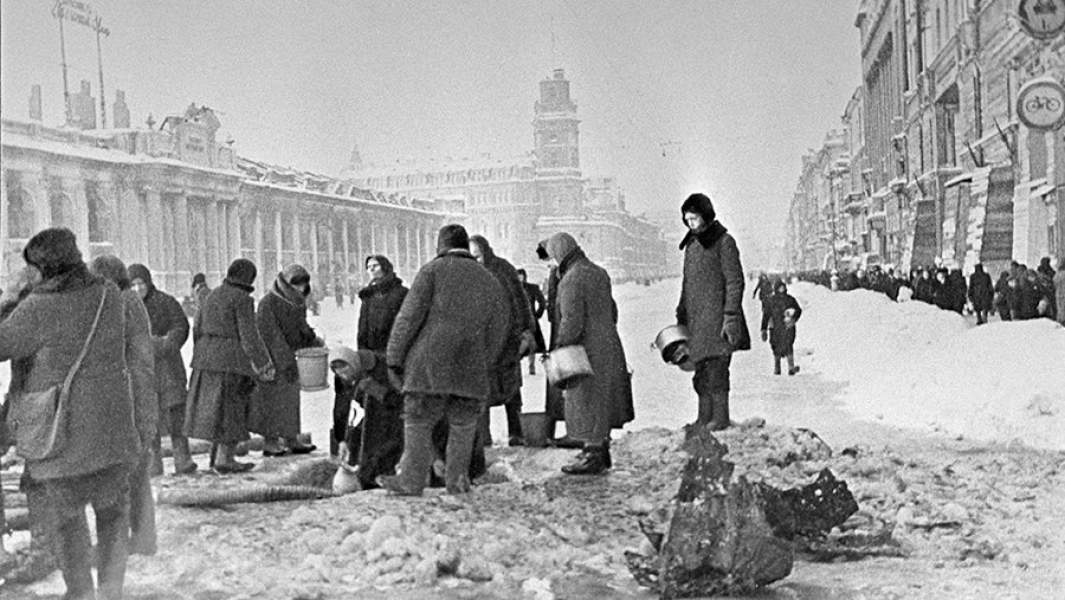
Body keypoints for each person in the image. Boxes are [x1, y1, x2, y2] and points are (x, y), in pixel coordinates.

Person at [0, 228, 145, 599]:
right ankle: (111, 591)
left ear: (44, 267)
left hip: (62, 435)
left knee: (68, 520)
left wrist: (12, 297)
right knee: (112, 515)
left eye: (31, 267)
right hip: (113, 428)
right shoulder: (108, 295)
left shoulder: (37, 307)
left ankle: (80, 593)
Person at [380, 224, 508, 495]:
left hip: (428, 365)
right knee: (462, 426)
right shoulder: (488, 279)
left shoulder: (432, 271)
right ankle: (457, 480)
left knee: (418, 420)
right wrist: (484, 360)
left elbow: (408, 318)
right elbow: (499, 328)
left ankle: (411, 481)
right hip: (471, 366)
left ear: (441, 245)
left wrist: (394, 358)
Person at [543, 232, 634, 474]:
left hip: (586, 350)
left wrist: (560, 346)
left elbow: (572, 321)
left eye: (552, 257)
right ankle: (601, 451)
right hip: (608, 344)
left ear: (561, 253)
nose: (552, 263)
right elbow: (612, 310)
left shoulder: (571, 279)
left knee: (586, 399)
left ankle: (592, 455)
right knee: (601, 399)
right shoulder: (598, 272)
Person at [90, 256, 159, 558]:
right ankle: (143, 539)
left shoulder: (123, 305)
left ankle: (135, 541)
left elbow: (133, 361)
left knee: (129, 474)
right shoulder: (129, 302)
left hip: (131, 400)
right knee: (135, 473)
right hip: (135, 397)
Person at [185, 258, 276, 473]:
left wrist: (201, 354)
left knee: (215, 412)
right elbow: (249, 336)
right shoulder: (242, 299)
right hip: (230, 362)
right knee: (230, 411)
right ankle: (225, 460)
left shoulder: (211, 295)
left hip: (205, 360)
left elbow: (196, 328)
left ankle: (215, 457)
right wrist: (264, 364)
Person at [676, 193, 750, 430]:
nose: (691, 224)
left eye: (694, 219)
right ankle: (703, 416)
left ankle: (720, 417)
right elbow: (687, 282)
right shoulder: (691, 245)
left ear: (706, 216)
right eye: (687, 220)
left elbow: (734, 281)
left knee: (717, 371)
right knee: (700, 373)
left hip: (718, 321)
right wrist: (681, 311)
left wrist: (730, 316)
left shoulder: (724, 241)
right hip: (697, 322)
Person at [125, 263, 198, 476]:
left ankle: (183, 460)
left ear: (148, 282)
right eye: (133, 285)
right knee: (149, 421)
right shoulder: (126, 308)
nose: (138, 289)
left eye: (141, 283)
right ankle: (152, 465)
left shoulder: (166, 302)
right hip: (142, 372)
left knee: (176, 416)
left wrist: (167, 344)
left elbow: (180, 326)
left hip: (168, 369)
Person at [469, 235, 535, 447]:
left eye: (478, 256)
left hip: (507, 339)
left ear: (486, 251)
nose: (476, 260)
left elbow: (520, 300)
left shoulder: (503, 269)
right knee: (482, 391)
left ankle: (516, 433)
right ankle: (484, 437)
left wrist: (525, 329)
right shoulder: (469, 273)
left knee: (511, 389)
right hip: (482, 342)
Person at [251, 264, 323, 457]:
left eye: (304, 283)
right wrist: (284, 361)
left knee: (290, 402)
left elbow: (300, 327)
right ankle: (271, 442)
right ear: (285, 283)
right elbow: (270, 335)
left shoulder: (297, 302)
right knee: (271, 403)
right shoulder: (268, 302)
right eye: (296, 283)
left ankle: (291, 438)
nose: (301, 287)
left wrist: (311, 339)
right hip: (273, 361)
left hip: (291, 358)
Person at [346, 254, 408, 455]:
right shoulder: (368, 296)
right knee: (370, 404)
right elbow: (361, 329)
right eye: (369, 267)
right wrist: (361, 355)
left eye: (376, 266)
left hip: (391, 356)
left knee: (391, 404)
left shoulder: (400, 293)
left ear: (385, 267)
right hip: (371, 357)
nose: (372, 269)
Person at [330, 346, 404, 490]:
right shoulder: (345, 378)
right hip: (363, 431)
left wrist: (380, 392)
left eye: (346, 372)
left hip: (388, 426)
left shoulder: (385, 370)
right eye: (340, 374)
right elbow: (344, 408)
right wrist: (343, 440)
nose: (344, 377)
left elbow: (403, 403)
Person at [760, 279, 802, 376]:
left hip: (788, 327)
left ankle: (791, 367)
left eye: (783, 287)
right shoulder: (771, 300)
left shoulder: (790, 299)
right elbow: (766, 315)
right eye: (780, 288)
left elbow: (798, 310)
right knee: (775, 346)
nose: (781, 289)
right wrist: (763, 329)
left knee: (788, 344)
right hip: (775, 327)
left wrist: (793, 318)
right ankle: (777, 366)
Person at [517, 268, 547, 375]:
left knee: (531, 344)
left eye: (522, 276)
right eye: (518, 276)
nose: (520, 278)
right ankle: (522, 363)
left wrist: (538, 314)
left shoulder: (532, 288)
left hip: (530, 321)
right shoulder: (514, 289)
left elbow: (542, 302)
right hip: (520, 321)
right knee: (527, 343)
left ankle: (530, 365)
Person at [1054, 258, 1065, 325]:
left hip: (1058, 294)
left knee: (1060, 309)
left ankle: (1061, 321)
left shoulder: (1057, 274)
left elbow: (1054, 283)